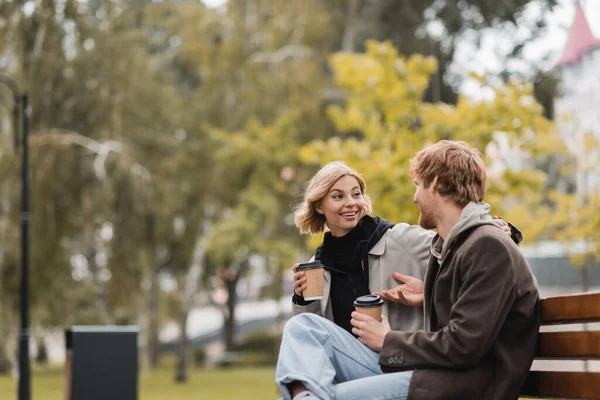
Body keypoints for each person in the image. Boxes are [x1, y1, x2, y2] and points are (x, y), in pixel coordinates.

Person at [276, 141, 540, 400]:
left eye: (417, 186)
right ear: (320, 206)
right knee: (303, 326)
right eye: (338, 196)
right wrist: (428, 291)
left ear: (434, 184)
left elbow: (464, 344)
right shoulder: (452, 245)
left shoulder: (482, 244)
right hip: (427, 372)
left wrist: (388, 339)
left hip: (455, 383)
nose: (414, 197)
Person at [291, 161, 522, 335]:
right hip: (345, 367)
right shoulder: (317, 263)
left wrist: (498, 228)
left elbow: (454, 245)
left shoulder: (399, 239)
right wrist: (302, 299)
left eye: (356, 194)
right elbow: (313, 331)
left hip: (395, 361)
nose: (351, 202)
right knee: (296, 331)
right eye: (338, 196)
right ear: (320, 206)